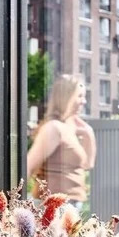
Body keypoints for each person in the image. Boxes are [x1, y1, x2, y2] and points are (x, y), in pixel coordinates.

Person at [27, 75, 96, 209]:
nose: (84, 101)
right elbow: (29, 165)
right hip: (54, 207)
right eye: (80, 96)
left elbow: (88, 164)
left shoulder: (68, 129)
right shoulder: (54, 128)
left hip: (70, 204)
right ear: (66, 96)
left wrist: (88, 134)